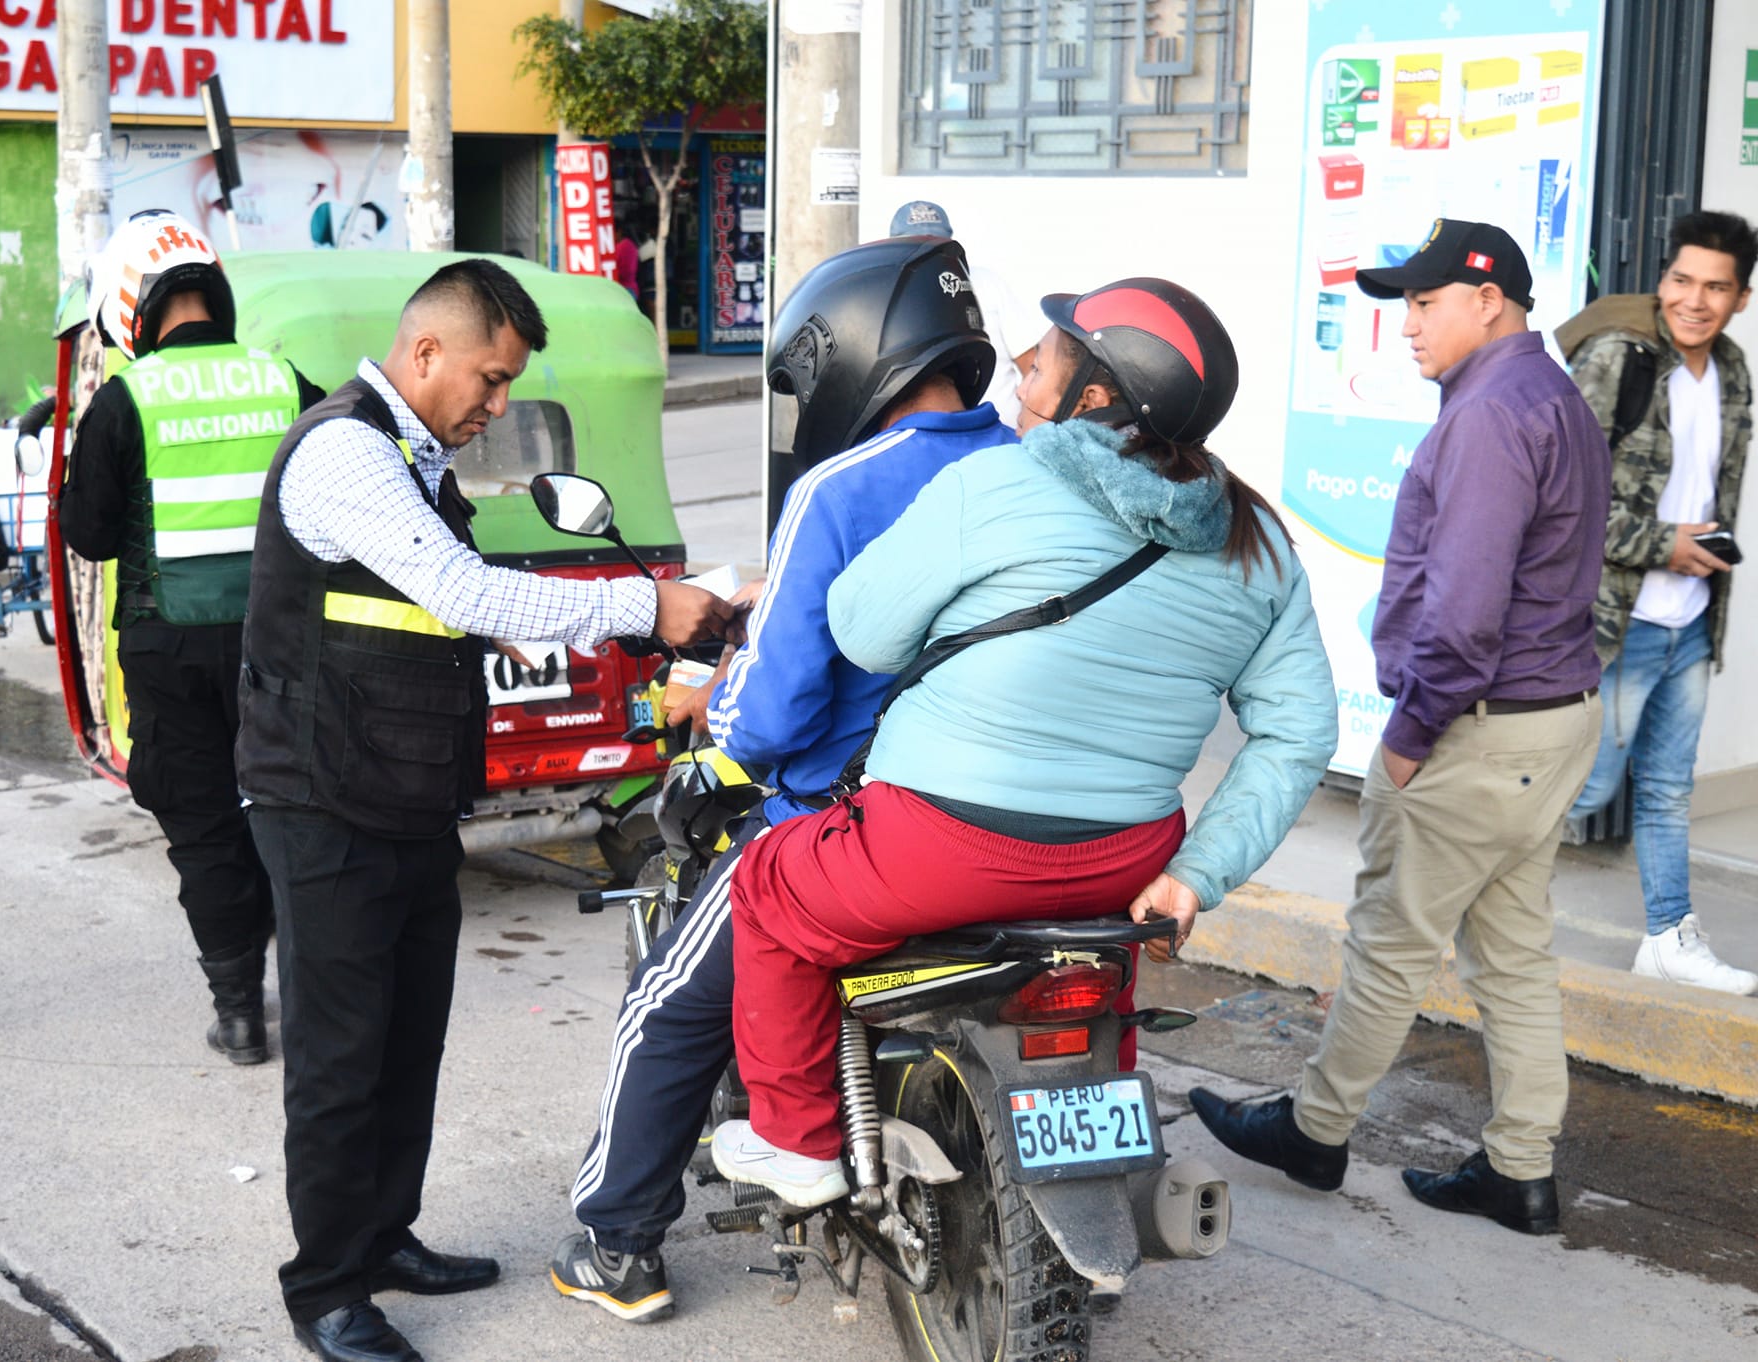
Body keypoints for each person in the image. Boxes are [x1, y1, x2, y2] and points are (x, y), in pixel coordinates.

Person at [707, 278, 1338, 1206]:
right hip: (1124, 867)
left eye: (1047, 353)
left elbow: (865, 635)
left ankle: (798, 1142)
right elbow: (1297, 734)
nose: (1023, 364)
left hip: (936, 844)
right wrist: (1197, 873)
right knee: (1098, 972)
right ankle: (1101, 1169)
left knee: (768, 890)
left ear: (1091, 398)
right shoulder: (1259, 543)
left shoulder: (992, 483)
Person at [233, 257, 732, 1362]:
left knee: (408, 1039)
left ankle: (383, 1237)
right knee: (338, 1056)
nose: (496, 406)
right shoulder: (344, 451)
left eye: (508, 386)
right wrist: (641, 605)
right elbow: (458, 589)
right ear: (424, 354)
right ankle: (325, 1289)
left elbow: (427, 601)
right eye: (490, 379)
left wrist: (506, 626)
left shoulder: (413, 456)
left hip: (403, 790)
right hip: (322, 799)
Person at [551, 236, 1011, 1323]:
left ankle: (616, 1244)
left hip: (846, 818)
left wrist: (712, 756)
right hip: (1015, 808)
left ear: (850, 353)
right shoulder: (1025, 468)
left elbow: (775, 706)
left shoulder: (840, 487)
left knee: (665, 1004)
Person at [1192, 220, 1609, 1237]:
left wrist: (1410, 736)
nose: (1406, 328)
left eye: (1423, 305)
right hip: (1550, 724)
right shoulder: (1548, 395)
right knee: (1511, 956)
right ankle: (1517, 1171)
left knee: (1388, 944)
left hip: (1475, 731)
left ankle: (1314, 1129)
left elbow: (1464, 613)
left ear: (1489, 301)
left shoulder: (1488, 417)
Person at [57, 209, 326, 1063]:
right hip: (280, 646)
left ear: (131, 305)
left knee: (206, 829)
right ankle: (321, 1001)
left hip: (168, 652)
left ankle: (241, 1015)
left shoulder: (124, 399)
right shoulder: (286, 379)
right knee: (290, 814)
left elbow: (90, 534)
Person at [1555, 210, 1753, 995]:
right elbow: (1562, 497)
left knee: (1670, 789)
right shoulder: (1620, 359)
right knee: (1587, 788)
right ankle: (1468, 912)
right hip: (1615, 622)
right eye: (1682, 280)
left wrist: (1701, 555)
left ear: (1741, 297)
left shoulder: (1732, 370)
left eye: (1716, 287)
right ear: (1662, 279)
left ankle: (1669, 936)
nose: (1694, 301)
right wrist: (1661, 545)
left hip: (1693, 619)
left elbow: (1713, 489)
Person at [889, 199, 1036, 426]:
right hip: (929, 440)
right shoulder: (889, 295)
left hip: (999, 435)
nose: (928, 250)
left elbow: (1032, 364)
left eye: (936, 241)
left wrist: (1030, 424)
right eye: (916, 243)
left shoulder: (987, 283)